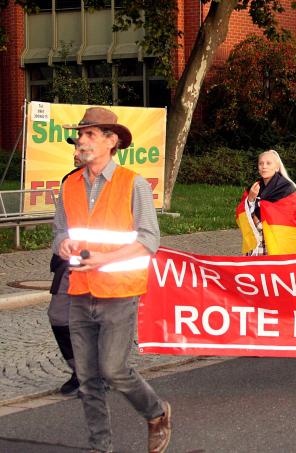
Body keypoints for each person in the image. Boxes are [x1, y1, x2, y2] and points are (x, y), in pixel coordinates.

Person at [54, 107, 171, 453]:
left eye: (89, 134)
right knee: (87, 379)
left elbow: (150, 239)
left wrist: (105, 259)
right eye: (81, 134)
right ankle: (99, 446)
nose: (81, 140)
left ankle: (156, 412)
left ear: (111, 140)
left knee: (113, 370)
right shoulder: (70, 183)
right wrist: (63, 244)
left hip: (119, 292)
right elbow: (59, 232)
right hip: (79, 290)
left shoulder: (132, 183)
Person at [47, 138, 84, 396]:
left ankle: (97, 374)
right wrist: (60, 245)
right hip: (68, 264)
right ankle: (79, 370)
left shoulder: (123, 183)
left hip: (103, 267)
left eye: (80, 147)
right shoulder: (70, 181)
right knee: (58, 316)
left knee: (95, 321)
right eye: (75, 147)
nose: (75, 153)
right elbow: (60, 224)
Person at [236, 150, 296, 256]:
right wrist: (251, 198)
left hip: (277, 242)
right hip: (257, 242)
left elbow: (286, 217)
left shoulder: (286, 188)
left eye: (268, 163)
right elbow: (241, 212)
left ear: (277, 167)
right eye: (261, 163)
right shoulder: (254, 187)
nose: (264, 166)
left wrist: (256, 217)